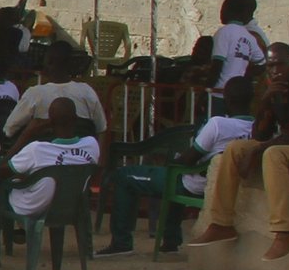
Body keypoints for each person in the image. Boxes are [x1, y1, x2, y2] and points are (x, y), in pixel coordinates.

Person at [190, 41, 289, 260]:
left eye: (280, 65)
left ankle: (284, 233)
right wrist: (267, 98)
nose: (275, 71)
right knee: (235, 149)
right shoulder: (276, 89)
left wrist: (258, 150)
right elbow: (260, 135)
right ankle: (221, 224)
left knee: (273, 154)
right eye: (270, 66)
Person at [101, 76, 254, 256]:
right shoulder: (257, 127)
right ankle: (170, 243)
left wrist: (171, 161)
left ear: (226, 98)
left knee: (126, 175)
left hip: (196, 182)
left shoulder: (218, 124)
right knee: (175, 176)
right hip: (221, 186)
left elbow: (189, 158)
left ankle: (121, 243)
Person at [4, 97, 103, 226]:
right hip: (70, 207)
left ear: (50, 121)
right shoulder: (92, 145)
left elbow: (1, 171)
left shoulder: (36, 149)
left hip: (32, 208)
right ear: (76, 119)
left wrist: (26, 135)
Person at [208, 0, 268, 90]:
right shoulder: (248, 34)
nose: (221, 13)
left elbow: (217, 64)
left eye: (225, 9)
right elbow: (261, 63)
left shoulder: (225, 32)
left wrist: (207, 87)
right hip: (235, 90)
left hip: (220, 90)